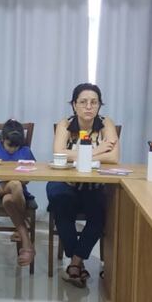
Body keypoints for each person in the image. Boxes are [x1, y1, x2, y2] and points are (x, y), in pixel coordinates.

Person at [46, 83, 120, 288]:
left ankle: (75, 263)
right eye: (83, 102)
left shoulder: (106, 123)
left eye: (94, 102)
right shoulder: (65, 124)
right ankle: (77, 262)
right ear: (74, 105)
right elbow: (58, 154)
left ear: (99, 105)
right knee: (61, 205)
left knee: (99, 214)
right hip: (65, 182)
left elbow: (113, 157)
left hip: (94, 185)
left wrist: (77, 155)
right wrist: (97, 150)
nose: (89, 106)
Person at [0, 119, 37, 266]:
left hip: (16, 192)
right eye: (9, 145)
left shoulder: (25, 151)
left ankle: (26, 241)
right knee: (15, 184)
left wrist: (22, 178)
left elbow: (31, 175)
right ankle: (24, 221)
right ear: (2, 139)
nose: (12, 149)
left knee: (8, 199)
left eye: (16, 146)